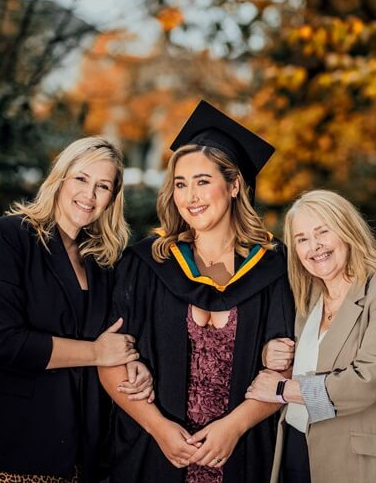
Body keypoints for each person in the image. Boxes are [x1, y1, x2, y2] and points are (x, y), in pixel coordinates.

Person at [98, 100, 296, 483]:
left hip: (243, 451)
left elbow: (284, 364)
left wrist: (234, 427)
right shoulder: (146, 264)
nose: (190, 197)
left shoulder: (273, 267)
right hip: (153, 450)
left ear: (235, 184)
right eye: (180, 184)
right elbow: (110, 359)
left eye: (203, 181)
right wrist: (159, 428)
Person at [0, 137, 155, 483]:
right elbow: (2, 342)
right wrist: (96, 352)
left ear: (113, 199)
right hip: (15, 435)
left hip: (82, 441)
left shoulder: (102, 261)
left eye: (103, 186)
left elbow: (115, 336)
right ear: (60, 178)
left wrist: (134, 364)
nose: (89, 194)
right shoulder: (9, 238)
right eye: (81, 179)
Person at [246, 189, 376, 483]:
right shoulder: (307, 300)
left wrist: (284, 390)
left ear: (348, 230)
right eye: (302, 239)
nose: (314, 246)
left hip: (364, 462)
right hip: (298, 448)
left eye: (323, 232)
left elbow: (370, 381)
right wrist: (269, 352)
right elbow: (304, 357)